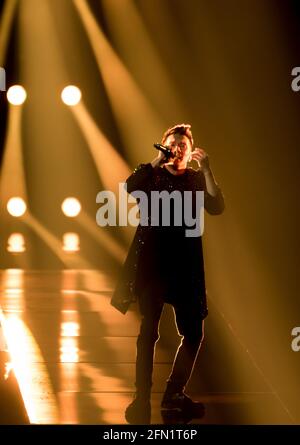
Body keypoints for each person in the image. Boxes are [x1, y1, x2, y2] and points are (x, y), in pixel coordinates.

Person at [111, 124, 225, 424]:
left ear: (191, 149)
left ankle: (174, 392)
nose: (177, 148)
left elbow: (216, 206)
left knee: (194, 332)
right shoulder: (154, 175)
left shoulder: (197, 179)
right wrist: (154, 162)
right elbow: (130, 187)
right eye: (172, 143)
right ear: (164, 146)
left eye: (182, 144)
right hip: (153, 262)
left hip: (185, 264)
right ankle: (141, 395)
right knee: (149, 330)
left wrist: (208, 170)